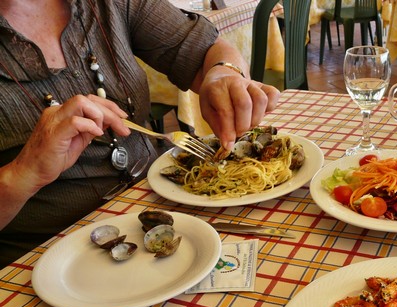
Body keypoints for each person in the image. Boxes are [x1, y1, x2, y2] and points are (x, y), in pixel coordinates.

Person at [0, 0, 280, 268]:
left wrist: (224, 74)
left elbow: (207, 49)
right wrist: (23, 172)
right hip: (44, 262)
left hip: (161, 216)